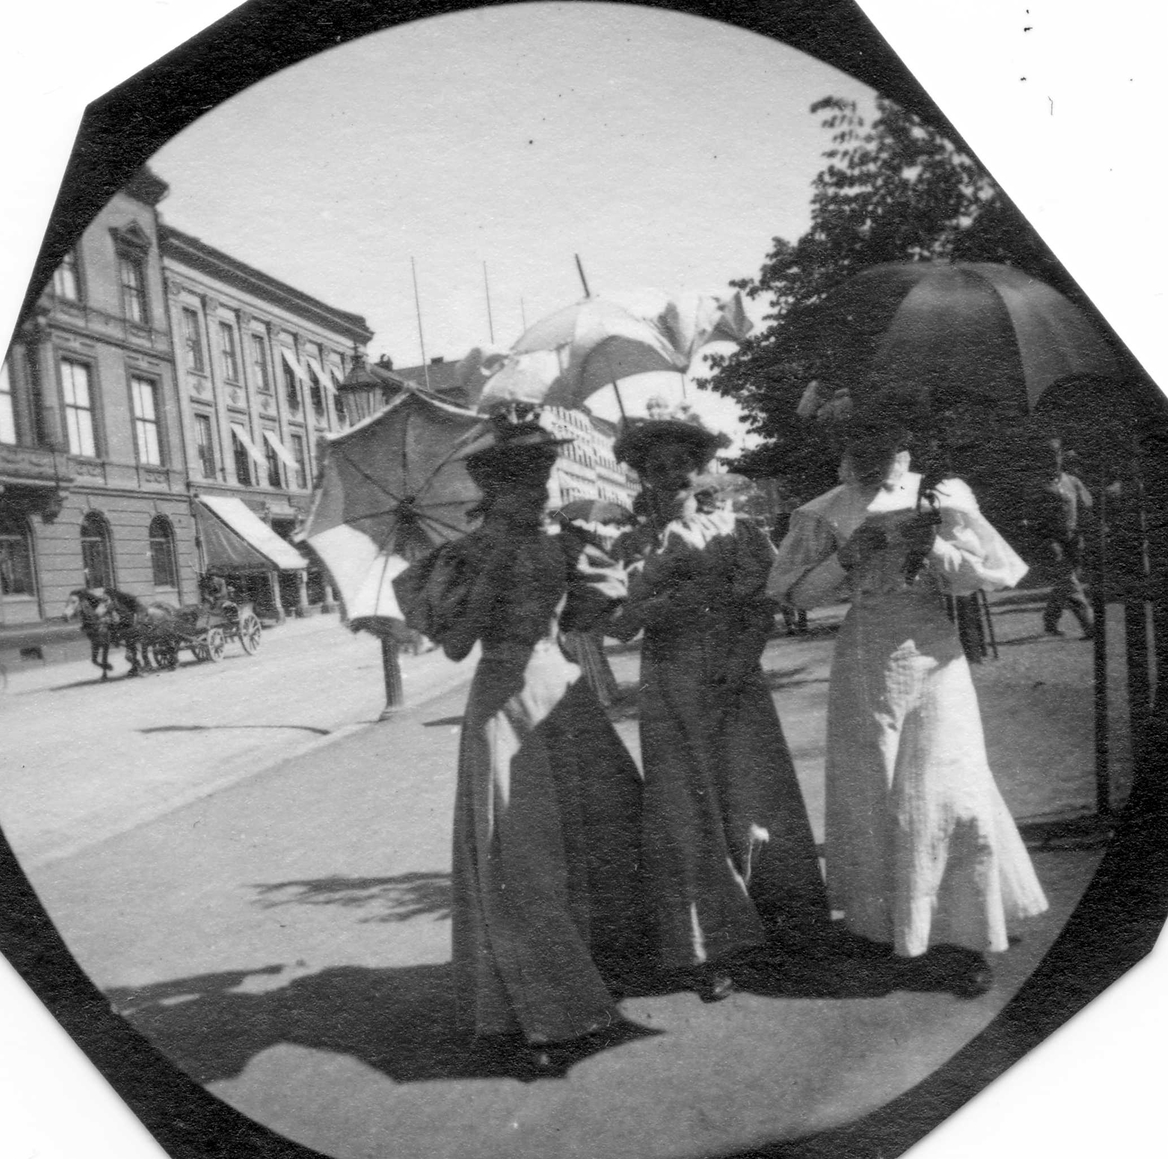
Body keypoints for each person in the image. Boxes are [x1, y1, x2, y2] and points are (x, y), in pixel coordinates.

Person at [392, 420, 647, 1071]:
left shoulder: (560, 542)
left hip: (563, 687)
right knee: (521, 850)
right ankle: (547, 1007)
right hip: (502, 696)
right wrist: (491, 578)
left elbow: (595, 620)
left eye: (542, 477)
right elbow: (453, 643)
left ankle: (593, 974)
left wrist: (602, 580)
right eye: (524, 481)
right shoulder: (468, 554)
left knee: (595, 833)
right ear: (493, 489)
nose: (539, 490)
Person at [768, 412, 1048, 998]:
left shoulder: (943, 493)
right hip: (868, 651)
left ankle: (966, 934)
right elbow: (789, 593)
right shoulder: (824, 510)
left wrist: (939, 545)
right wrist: (848, 557)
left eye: (887, 436)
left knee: (951, 782)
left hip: (935, 649)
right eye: (861, 437)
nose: (876, 449)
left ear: (906, 439)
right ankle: (891, 926)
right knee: (876, 782)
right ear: (845, 442)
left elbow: (995, 573)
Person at [610, 417, 830, 1003]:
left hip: (735, 676)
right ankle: (713, 945)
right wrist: (666, 594)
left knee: (750, 792)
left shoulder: (738, 528)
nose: (672, 475)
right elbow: (618, 622)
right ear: (641, 475)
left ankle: (787, 926)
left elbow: (766, 602)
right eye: (657, 468)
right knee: (688, 804)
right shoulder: (633, 543)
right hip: (670, 678)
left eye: (683, 463)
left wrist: (741, 658)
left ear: (700, 465)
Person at [1025, 437, 1095, 639]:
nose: (1052, 460)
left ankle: (1049, 621)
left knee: (1064, 584)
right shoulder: (1036, 486)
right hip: (1051, 543)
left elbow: (1086, 509)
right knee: (1069, 582)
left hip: (1073, 541)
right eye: (1046, 456)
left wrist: (1083, 534)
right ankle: (1090, 628)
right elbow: (1031, 519)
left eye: (1055, 455)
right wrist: (1045, 541)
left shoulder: (1072, 481)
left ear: (1061, 456)